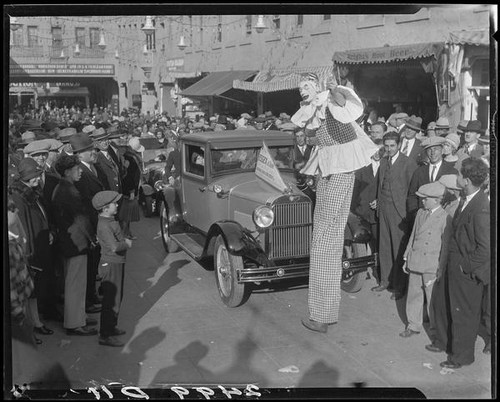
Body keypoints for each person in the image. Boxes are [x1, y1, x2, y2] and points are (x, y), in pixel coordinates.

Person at [291, 72, 378, 333]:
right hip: (330, 169)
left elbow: (344, 105)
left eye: (307, 85)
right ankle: (322, 313)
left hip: (339, 171)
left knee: (323, 243)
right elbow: (328, 136)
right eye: (300, 87)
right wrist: (307, 139)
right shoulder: (316, 107)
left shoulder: (330, 98)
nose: (302, 90)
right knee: (326, 242)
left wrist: (334, 89)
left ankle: (321, 315)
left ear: (317, 86)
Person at [439, 158, 490, 369]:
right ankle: (455, 349)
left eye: (460, 175)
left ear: (467, 180)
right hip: (458, 266)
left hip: (467, 272)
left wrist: (465, 266)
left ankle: (461, 357)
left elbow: (485, 248)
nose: (457, 177)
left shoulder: (480, 208)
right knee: (457, 310)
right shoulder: (469, 198)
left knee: (465, 315)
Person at [8, 158, 54, 343]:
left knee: (33, 291)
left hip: (39, 244)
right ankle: (31, 328)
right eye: (35, 175)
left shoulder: (31, 192)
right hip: (30, 251)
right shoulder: (19, 198)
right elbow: (22, 228)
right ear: (26, 177)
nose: (38, 178)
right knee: (27, 293)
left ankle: (35, 322)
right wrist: (29, 253)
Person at [52, 154, 98, 336]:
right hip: (75, 243)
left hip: (69, 242)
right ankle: (74, 323)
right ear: (67, 172)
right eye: (77, 169)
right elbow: (81, 220)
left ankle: (80, 317)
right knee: (75, 284)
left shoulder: (62, 188)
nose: (80, 171)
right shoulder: (69, 191)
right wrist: (92, 238)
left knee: (75, 282)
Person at [399, 182, 452, 339]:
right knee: (414, 295)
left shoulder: (445, 218)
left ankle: (436, 331)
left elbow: (446, 247)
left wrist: (440, 268)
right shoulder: (420, 213)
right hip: (416, 261)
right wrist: (406, 257)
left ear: (436, 200)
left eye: (425, 199)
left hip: (431, 265)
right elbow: (413, 236)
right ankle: (413, 324)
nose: (422, 201)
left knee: (432, 300)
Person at [373, 131, 418, 299]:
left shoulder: (408, 163)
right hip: (383, 209)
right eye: (386, 146)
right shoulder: (384, 162)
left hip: (400, 212)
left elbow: (412, 190)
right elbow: (379, 185)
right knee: (384, 245)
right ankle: (385, 281)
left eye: (392, 146)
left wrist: (409, 213)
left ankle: (399, 286)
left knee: (398, 248)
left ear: (399, 145)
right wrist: (377, 202)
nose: (389, 149)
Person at [92, 191, 132, 347]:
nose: (117, 205)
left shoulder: (108, 220)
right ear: (105, 208)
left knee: (116, 297)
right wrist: (127, 244)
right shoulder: (105, 224)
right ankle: (105, 334)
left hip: (116, 262)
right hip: (111, 263)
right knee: (110, 300)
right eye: (114, 203)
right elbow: (115, 247)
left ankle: (111, 326)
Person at [70, 132, 104, 315]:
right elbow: (86, 204)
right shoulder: (81, 174)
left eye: (92, 148)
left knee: (94, 262)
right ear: (79, 155)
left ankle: (91, 296)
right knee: (90, 265)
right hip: (91, 226)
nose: (93, 151)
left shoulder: (92, 167)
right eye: (88, 150)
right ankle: (89, 301)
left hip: (97, 223)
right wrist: (94, 230)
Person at [406, 136, 458, 224]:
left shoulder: (451, 171)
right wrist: (416, 214)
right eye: (429, 150)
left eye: (436, 149)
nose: (432, 153)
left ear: (442, 151)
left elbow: (453, 199)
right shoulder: (419, 172)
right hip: (422, 219)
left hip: (443, 220)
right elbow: (412, 196)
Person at [351, 144, 384, 256]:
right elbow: (355, 191)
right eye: (374, 150)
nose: (377, 153)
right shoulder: (362, 168)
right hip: (363, 213)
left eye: (381, 150)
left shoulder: (386, 167)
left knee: (378, 243)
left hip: (378, 214)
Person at [119, 137, 143, 239]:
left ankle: (127, 233)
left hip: (131, 188)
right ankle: (125, 234)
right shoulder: (128, 158)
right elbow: (128, 176)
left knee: (127, 216)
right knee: (126, 215)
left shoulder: (130, 157)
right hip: (129, 190)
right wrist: (132, 191)